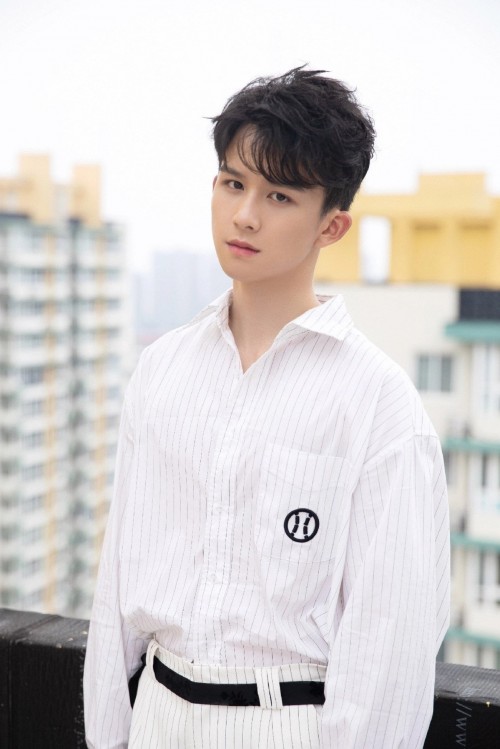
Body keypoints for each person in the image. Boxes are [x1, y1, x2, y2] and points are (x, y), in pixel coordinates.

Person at [84, 67, 450, 749]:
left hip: (289, 724)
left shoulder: (377, 401)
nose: (245, 214)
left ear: (331, 226)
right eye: (233, 183)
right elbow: (117, 584)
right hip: (157, 711)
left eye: (279, 195)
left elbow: (390, 645)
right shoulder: (162, 370)